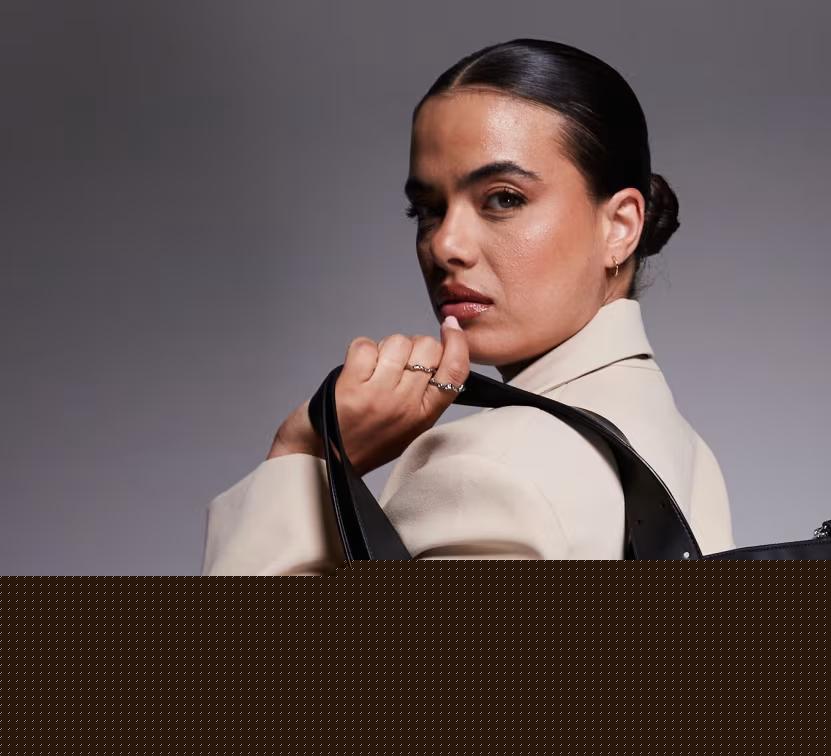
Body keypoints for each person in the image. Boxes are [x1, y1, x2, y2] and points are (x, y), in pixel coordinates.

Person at [201, 37, 734, 572]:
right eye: (427, 210)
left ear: (619, 226)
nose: (444, 245)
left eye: (504, 198)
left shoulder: (493, 467)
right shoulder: (680, 449)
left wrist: (301, 456)